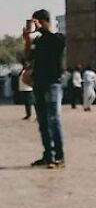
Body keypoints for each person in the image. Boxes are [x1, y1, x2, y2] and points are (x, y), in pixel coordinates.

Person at [24, 9, 65, 168]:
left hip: (53, 83)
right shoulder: (39, 41)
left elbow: (55, 42)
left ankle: (59, 157)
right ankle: (48, 155)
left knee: (54, 120)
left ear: (43, 21)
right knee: (42, 122)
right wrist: (27, 39)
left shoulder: (58, 38)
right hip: (39, 83)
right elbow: (28, 57)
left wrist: (41, 27)